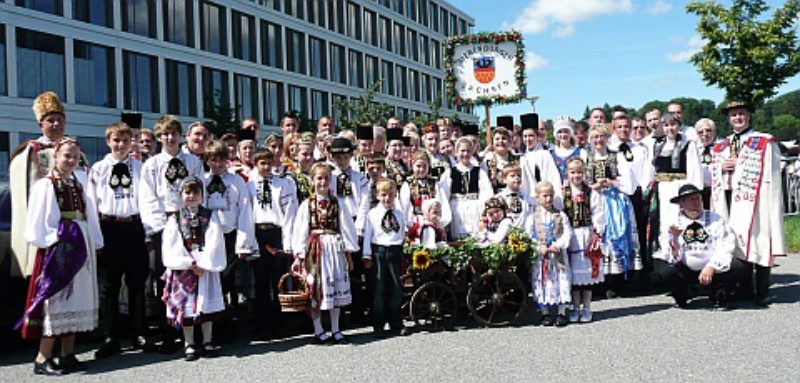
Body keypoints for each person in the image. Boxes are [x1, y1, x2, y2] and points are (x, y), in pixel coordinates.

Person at [19, 138, 103, 375]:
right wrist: (56, 240)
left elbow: (90, 213)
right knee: (57, 299)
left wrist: (94, 240)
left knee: (77, 298)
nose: (71, 160)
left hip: (81, 241)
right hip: (61, 245)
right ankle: (42, 357)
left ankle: (68, 353)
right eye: (67, 155)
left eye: (75, 156)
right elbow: (39, 221)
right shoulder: (46, 185)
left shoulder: (79, 181)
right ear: (56, 156)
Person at [710, 101, 786, 307]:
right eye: (733, 115)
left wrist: (739, 164)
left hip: (757, 200)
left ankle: (762, 290)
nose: (737, 118)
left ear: (749, 116)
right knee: (736, 243)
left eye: (741, 114)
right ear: (728, 119)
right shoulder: (722, 144)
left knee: (760, 240)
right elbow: (714, 168)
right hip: (729, 198)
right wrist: (721, 166)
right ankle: (743, 288)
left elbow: (770, 170)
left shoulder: (763, 141)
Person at [139, 115, 204, 353]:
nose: (170, 137)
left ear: (180, 135)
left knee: (192, 275)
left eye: (174, 133)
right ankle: (168, 332)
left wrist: (196, 218)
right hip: (165, 224)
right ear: (159, 137)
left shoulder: (192, 161)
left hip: (190, 220)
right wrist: (160, 228)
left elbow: (200, 189)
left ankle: (192, 331)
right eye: (165, 134)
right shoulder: (153, 164)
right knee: (164, 279)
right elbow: (147, 198)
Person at [89, 122, 151, 358]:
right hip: (109, 227)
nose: (121, 145)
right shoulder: (98, 169)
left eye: (125, 141)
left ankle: (139, 334)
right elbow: (92, 203)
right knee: (109, 286)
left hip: (133, 227)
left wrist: (147, 231)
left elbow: (146, 199)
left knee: (137, 284)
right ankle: (110, 337)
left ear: (131, 143)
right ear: (108, 142)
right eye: (116, 140)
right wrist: (97, 238)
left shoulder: (140, 168)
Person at [291, 163, 359, 344]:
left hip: (335, 249)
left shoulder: (339, 203)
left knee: (335, 286)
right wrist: (299, 254)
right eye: (319, 178)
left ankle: (336, 329)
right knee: (316, 288)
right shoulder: (307, 204)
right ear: (312, 181)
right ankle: (318, 329)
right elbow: (300, 230)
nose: (323, 182)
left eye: (326, 178)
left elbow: (346, 228)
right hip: (316, 249)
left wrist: (348, 252)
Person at [161, 177, 226, 361]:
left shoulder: (210, 216)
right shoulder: (175, 218)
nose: (191, 196)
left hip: (205, 265)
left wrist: (204, 264)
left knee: (206, 304)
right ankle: (188, 343)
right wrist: (187, 263)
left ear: (201, 195)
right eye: (187, 192)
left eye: (195, 192)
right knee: (186, 307)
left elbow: (215, 240)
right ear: (181, 195)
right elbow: (171, 244)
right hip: (185, 266)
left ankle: (207, 340)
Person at [10, 92, 71, 279]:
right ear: (40, 125)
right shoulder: (31, 152)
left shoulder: (73, 150)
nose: (56, 124)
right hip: (44, 224)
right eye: (51, 120)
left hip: (70, 223)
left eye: (60, 120)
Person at [654, 184, 746, 309]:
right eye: (692, 200)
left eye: (698, 199)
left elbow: (726, 245)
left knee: (737, 265)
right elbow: (669, 254)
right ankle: (682, 295)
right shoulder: (672, 222)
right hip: (686, 269)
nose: (696, 203)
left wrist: (711, 267)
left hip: (712, 269)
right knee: (664, 269)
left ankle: (719, 294)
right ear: (682, 204)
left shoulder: (715, 219)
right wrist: (674, 239)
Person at [202, 140, 256, 343]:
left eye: (221, 160)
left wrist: (243, 242)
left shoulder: (236, 182)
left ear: (228, 160)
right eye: (213, 160)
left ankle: (237, 328)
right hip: (209, 238)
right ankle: (214, 328)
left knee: (234, 282)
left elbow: (244, 211)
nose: (217, 164)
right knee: (215, 283)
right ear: (207, 160)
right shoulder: (203, 181)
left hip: (231, 235)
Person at [645, 112, 703, 278]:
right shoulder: (658, 146)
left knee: (682, 223)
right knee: (664, 225)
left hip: (680, 188)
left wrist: (692, 194)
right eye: (667, 125)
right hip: (663, 190)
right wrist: (648, 189)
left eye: (673, 125)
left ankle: (688, 264)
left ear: (679, 126)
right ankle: (669, 265)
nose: (670, 128)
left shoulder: (687, 145)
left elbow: (694, 170)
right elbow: (652, 170)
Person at [585, 124, 640, 298]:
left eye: (601, 137)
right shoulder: (587, 157)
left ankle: (617, 281)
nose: (598, 140)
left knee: (617, 236)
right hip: (596, 200)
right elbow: (584, 181)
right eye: (595, 137)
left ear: (607, 138)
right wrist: (594, 186)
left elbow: (627, 181)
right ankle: (600, 281)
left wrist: (611, 182)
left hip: (615, 201)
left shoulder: (617, 156)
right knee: (599, 238)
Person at [248, 148, 297, 339]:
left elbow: (288, 212)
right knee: (260, 281)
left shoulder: (281, 183)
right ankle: (262, 323)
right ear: (255, 164)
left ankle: (279, 322)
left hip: (276, 233)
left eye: (269, 163)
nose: (266, 167)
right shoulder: (250, 184)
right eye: (262, 163)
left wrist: (287, 242)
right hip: (258, 233)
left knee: (278, 279)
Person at [362, 179, 407, 338]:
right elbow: (368, 235)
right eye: (383, 195)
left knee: (396, 288)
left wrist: (403, 248)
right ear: (377, 195)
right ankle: (378, 325)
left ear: (395, 195)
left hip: (395, 251)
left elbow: (402, 233)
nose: (387, 198)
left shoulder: (399, 214)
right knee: (378, 289)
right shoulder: (372, 214)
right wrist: (366, 255)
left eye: (391, 195)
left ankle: (396, 323)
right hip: (378, 251)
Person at [562, 158, 605, 323]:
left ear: (584, 173)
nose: (576, 175)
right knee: (573, 275)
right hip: (570, 235)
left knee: (587, 274)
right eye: (572, 172)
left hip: (586, 234)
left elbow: (598, 213)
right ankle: (575, 308)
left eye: (579, 172)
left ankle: (587, 307)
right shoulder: (563, 193)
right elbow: (559, 212)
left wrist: (597, 233)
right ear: (567, 173)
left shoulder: (591, 193)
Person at [527, 181, 572, 327]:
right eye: (545, 196)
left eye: (551, 196)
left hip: (557, 256)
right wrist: (538, 246)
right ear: (537, 197)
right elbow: (528, 236)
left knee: (561, 280)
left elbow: (567, 233)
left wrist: (557, 245)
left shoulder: (560, 215)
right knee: (542, 281)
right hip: (541, 256)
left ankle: (561, 312)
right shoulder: (532, 217)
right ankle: (545, 312)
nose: (548, 199)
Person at [446, 137, 493, 240]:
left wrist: (485, 210)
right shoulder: (450, 172)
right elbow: (444, 193)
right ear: (456, 152)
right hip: (456, 208)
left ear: (472, 152)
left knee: (475, 236)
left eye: (468, 151)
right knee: (457, 237)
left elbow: (486, 192)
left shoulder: (479, 171)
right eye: (462, 151)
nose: (465, 154)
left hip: (475, 207)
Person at [399, 151, 451, 230]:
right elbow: (405, 207)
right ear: (412, 166)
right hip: (415, 224)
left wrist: (438, 221)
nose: (422, 169)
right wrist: (414, 222)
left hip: (433, 222)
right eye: (418, 166)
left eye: (424, 166)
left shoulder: (435, 184)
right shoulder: (407, 184)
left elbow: (442, 203)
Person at [482, 126, 521, 193]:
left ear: (509, 142)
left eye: (504, 138)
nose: (500, 141)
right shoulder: (486, 161)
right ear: (493, 143)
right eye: (497, 139)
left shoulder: (519, 160)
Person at [494, 164, 534, 229]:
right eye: (512, 176)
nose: (517, 178)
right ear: (504, 179)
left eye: (519, 175)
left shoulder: (527, 199)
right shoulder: (498, 198)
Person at [549, 118, 586, 185]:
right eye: (560, 132)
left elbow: (584, 174)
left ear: (570, 133)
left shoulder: (581, 152)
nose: (563, 135)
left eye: (566, 131)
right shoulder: (550, 154)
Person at [695, 118, 717, 208]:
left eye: (708, 130)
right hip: (699, 192)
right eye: (701, 132)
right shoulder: (693, 150)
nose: (705, 134)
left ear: (714, 132)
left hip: (717, 192)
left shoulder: (723, 148)